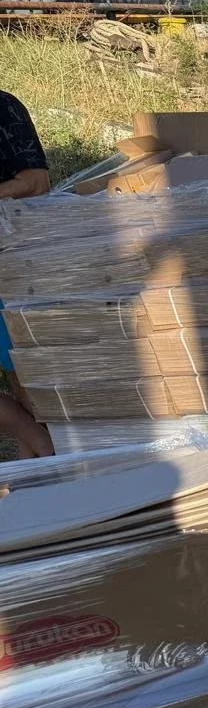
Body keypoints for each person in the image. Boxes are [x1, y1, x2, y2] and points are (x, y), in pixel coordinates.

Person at [0, 90, 54, 457]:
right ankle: (40, 449)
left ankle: (42, 464)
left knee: (29, 388)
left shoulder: (4, 108)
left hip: (9, 265)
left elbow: (37, 182)